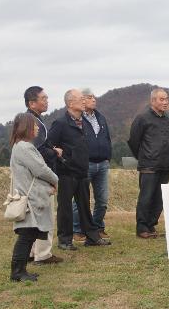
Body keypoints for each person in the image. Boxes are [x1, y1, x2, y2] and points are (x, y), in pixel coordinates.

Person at [48, 89, 111, 249]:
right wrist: (62, 158)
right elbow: (49, 146)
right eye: (80, 99)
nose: (84, 101)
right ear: (70, 103)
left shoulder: (83, 122)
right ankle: (65, 240)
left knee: (84, 206)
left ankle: (92, 237)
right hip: (66, 172)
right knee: (65, 207)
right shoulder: (61, 123)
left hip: (82, 170)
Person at [8, 113, 58, 281]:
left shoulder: (20, 146)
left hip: (29, 197)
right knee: (26, 236)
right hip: (30, 201)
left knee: (28, 235)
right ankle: (17, 272)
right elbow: (40, 169)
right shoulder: (25, 147)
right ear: (26, 127)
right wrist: (55, 179)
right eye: (34, 125)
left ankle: (21, 270)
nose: (37, 128)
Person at [24, 86, 63, 265]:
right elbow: (37, 151)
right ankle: (43, 254)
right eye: (43, 98)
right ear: (32, 103)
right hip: (40, 175)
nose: (47, 101)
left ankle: (32, 252)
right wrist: (54, 152)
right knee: (45, 214)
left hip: (30, 176)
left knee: (33, 215)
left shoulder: (30, 120)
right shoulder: (34, 122)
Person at [128, 88, 169, 239]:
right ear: (153, 101)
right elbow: (134, 141)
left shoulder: (168, 119)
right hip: (148, 165)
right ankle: (142, 227)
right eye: (161, 99)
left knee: (159, 198)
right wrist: (143, 156)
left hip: (164, 164)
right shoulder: (142, 118)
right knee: (146, 197)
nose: (165, 102)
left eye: (166, 99)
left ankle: (151, 225)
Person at [73, 89, 112, 242]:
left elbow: (107, 137)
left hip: (102, 163)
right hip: (85, 164)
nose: (93, 100)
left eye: (94, 97)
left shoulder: (100, 117)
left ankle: (97, 228)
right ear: (82, 100)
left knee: (102, 199)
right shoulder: (77, 119)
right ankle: (77, 230)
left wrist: (108, 156)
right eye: (89, 97)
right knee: (80, 198)